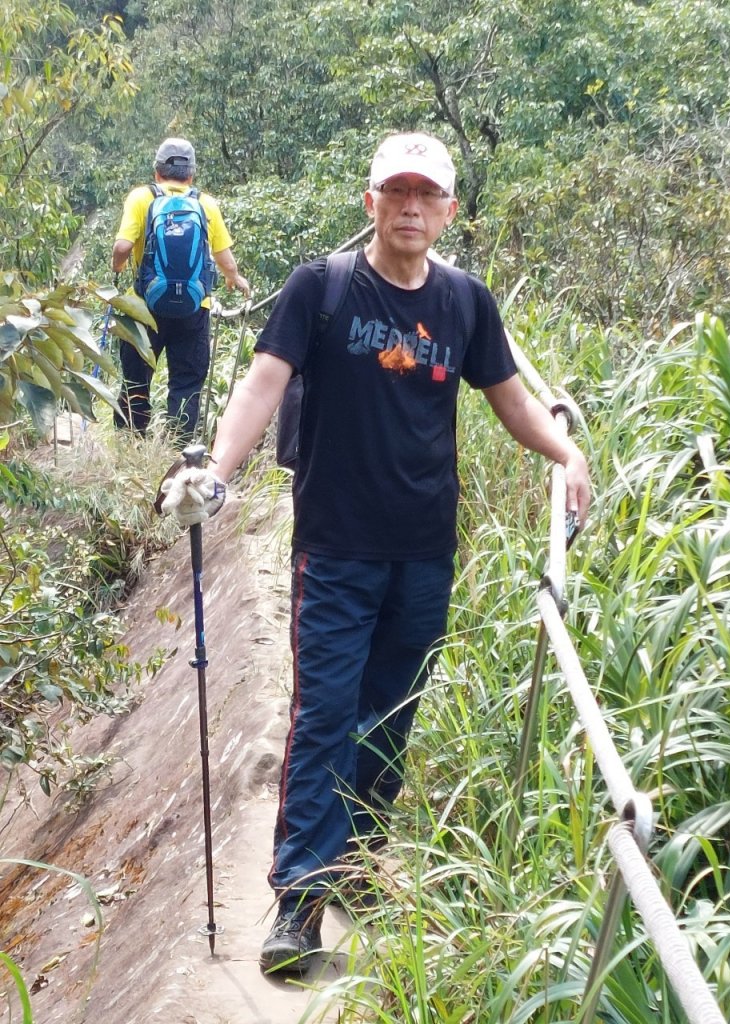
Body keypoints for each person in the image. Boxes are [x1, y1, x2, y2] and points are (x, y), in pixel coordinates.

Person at [159, 131, 591, 973]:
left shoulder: (466, 303)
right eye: (396, 192)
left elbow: (511, 401)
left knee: (390, 716)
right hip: (336, 546)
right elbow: (262, 383)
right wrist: (215, 470)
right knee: (324, 717)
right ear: (371, 204)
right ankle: (297, 901)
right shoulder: (321, 289)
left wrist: (565, 453)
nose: (411, 207)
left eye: (427, 195)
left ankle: (356, 866)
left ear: (449, 211)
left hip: (425, 550)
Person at [111, 137, 250, 442]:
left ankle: (130, 446)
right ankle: (177, 453)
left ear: (157, 171)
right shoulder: (205, 204)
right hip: (192, 309)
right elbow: (225, 258)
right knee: (186, 385)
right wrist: (233, 278)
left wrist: (118, 266)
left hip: (142, 308)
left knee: (136, 382)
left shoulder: (140, 198)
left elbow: (122, 246)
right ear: (191, 174)